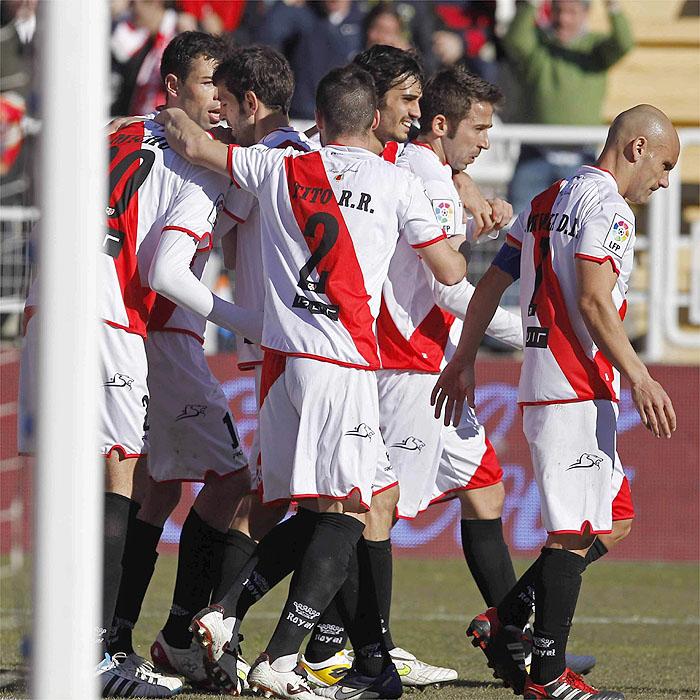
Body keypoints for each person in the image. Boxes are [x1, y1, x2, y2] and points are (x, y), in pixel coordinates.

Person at [156, 62, 468, 700]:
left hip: (279, 368)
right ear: (376, 121)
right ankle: (274, 654)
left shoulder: (279, 167)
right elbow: (448, 267)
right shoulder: (397, 180)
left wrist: (163, 115)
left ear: (319, 122)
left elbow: (192, 144)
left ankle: (226, 618)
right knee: (350, 509)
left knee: (315, 502)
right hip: (343, 363)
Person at [432, 104, 679, 699]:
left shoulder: (549, 198)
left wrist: (465, 358)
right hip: (575, 385)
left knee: (614, 521)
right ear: (636, 148)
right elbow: (595, 301)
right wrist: (642, 377)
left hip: (555, 383)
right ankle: (547, 677)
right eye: (665, 165)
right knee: (571, 532)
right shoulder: (608, 208)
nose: (665, 181)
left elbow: (491, 284)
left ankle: (506, 617)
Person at [104, 32, 257, 693]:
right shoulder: (202, 164)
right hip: (156, 332)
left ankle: (117, 637)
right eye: (206, 85)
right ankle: (169, 638)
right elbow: (167, 267)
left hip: (129, 323)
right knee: (227, 480)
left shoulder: (122, 131)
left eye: (225, 87)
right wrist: (255, 325)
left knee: (156, 488)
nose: (218, 99)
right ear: (171, 90)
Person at [503, 0, 634, 213]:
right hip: (535, 155)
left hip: (581, 158)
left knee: (579, 225)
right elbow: (515, 40)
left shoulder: (594, 50)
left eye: (571, 12)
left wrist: (613, 7)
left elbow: (623, 43)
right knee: (517, 224)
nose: (563, 20)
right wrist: (530, 4)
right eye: (558, 11)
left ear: (585, 13)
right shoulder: (539, 47)